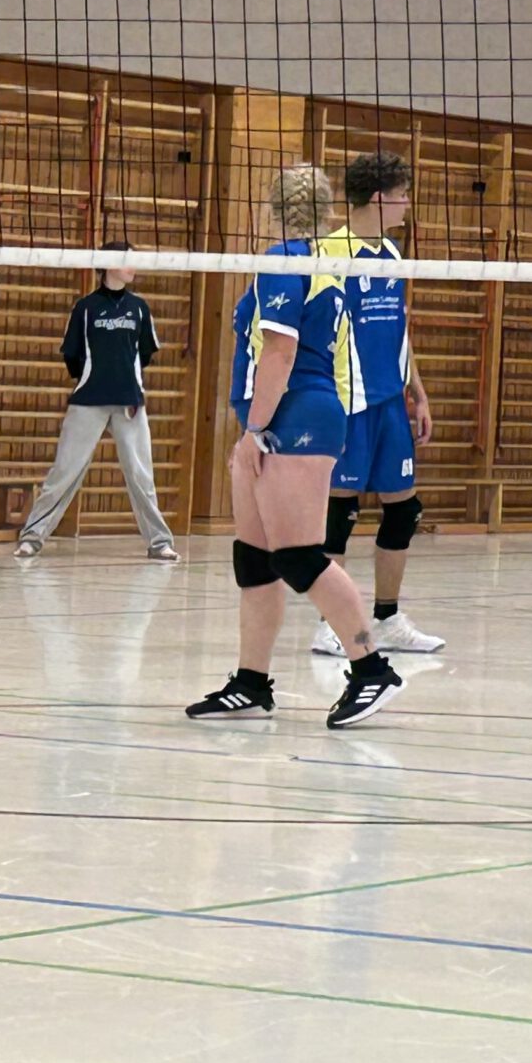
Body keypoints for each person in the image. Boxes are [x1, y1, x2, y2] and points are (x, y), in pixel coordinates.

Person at [186, 165, 404, 731]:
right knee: (255, 558)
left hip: (296, 417)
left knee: (298, 554)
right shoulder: (319, 263)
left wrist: (256, 429)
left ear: (272, 207)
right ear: (326, 212)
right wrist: (252, 427)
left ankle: (371, 667)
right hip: (277, 418)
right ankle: (251, 682)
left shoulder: (286, 260)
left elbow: (280, 354)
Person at [311, 151, 443, 659]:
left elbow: (398, 329)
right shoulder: (329, 252)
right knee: (338, 514)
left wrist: (418, 391)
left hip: (390, 401)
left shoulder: (391, 251)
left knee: (404, 509)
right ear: (378, 197)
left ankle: (387, 619)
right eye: (402, 195)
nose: (408, 203)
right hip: (347, 401)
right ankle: (332, 625)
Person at [14, 241, 177, 563]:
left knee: (141, 476)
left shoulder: (139, 308)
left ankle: (159, 543)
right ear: (109, 264)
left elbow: (145, 354)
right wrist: (97, 378)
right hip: (88, 400)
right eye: (128, 260)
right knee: (64, 472)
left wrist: (124, 380)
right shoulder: (85, 308)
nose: (134, 266)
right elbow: (72, 356)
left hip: (129, 402)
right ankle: (32, 537)